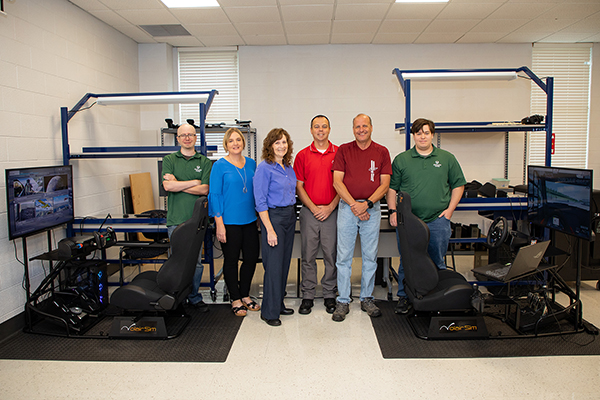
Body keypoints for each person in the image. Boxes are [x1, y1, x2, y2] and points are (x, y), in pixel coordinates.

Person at [386, 118, 466, 314]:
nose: (422, 136)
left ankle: (436, 299)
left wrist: (449, 211)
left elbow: (458, 185)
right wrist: (393, 211)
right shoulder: (402, 160)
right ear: (413, 135)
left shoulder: (447, 158)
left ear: (432, 134)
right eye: (418, 132)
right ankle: (405, 297)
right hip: (409, 222)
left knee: (436, 261)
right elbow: (392, 189)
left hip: (438, 220)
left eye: (426, 132)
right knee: (407, 261)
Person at [331, 114, 392, 322]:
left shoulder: (382, 152)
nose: (361, 129)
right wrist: (354, 205)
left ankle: (367, 298)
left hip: (372, 209)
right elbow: (337, 182)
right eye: (357, 126)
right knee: (344, 258)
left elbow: (384, 185)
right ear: (353, 129)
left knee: (369, 257)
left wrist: (366, 204)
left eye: (364, 126)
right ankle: (343, 300)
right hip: (348, 208)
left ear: (371, 128)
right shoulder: (344, 150)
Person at [209, 128, 260, 317]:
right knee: (231, 261)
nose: (235, 143)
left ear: (243, 142)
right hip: (229, 222)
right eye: (231, 141)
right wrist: (219, 223)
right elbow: (215, 195)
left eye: (238, 139)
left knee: (251, 259)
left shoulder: (252, 164)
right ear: (226, 144)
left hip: (250, 220)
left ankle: (245, 295)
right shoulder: (219, 166)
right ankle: (235, 298)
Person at [162, 123, 212, 312]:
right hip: (176, 220)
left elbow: (205, 189)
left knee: (196, 263)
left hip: (197, 221)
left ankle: (194, 296)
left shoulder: (204, 162)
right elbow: (167, 187)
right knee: (177, 261)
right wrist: (193, 183)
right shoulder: (169, 160)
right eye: (183, 135)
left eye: (190, 134)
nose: (187, 138)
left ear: (195, 137)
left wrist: (178, 183)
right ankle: (176, 297)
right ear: (178, 138)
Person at [294, 115, 339, 315]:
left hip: (333, 211)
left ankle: (330, 294)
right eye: (316, 127)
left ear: (329, 129)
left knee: (331, 256)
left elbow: (343, 185)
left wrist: (329, 207)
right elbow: (299, 186)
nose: (320, 130)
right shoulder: (302, 155)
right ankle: (308, 296)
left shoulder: (339, 153)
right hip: (309, 212)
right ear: (311, 130)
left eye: (324, 126)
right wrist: (313, 208)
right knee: (308, 255)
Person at [253, 128, 297, 327]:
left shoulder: (288, 167)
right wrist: (269, 229)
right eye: (277, 142)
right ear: (270, 146)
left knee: (284, 263)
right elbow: (260, 201)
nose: (282, 146)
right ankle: (268, 312)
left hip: (289, 216)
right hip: (274, 218)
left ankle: (278, 304)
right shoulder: (265, 168)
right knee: (273, 266)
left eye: (284, 142)